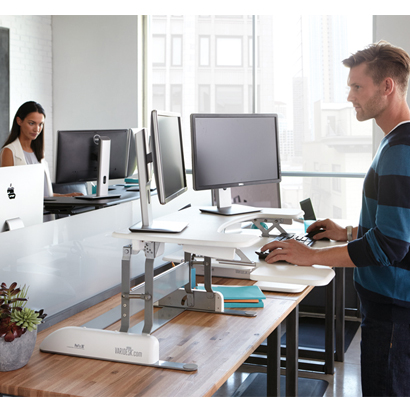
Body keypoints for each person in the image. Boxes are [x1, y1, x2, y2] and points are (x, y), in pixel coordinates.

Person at [261, 40, 410, 397]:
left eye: (357, 87)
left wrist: (310, 256)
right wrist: (349, 231)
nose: (350, 97)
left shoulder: (401, 149)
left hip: (393, 313)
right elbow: (400, 226)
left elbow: (391, 244)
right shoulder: (397, 142)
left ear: (386, 87)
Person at [1, 101, 82, 197]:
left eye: (40, 124)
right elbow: (7, 193)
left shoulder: (39, 152)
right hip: (26, 211)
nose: (37, 129)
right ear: (19, 121)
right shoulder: (9, 151)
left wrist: (68, 196)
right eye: (32, 123)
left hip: (45, 211)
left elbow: (46, 195)